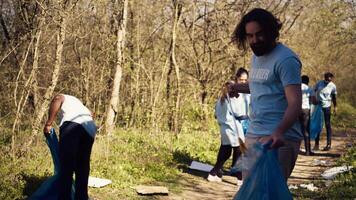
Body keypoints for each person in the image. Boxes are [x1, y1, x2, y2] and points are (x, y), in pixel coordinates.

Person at [231, 8, 302, 180]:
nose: (255, 40)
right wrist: (235, 88)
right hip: (253, 135)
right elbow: (260, 86)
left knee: (269, 193)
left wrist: (278, 132)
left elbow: (295, 103)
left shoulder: (286, 60)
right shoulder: (256, 57)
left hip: (278, 139)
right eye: (250, 36)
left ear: (272, 31)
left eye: (259, 34)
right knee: (248, 187)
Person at [43, 94, 97, 200]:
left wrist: (49, 123)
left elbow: (57, 99)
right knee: (82, 166)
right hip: (90, 130)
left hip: (72, 127)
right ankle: (82, 197)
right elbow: (91, 114)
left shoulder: (63, 97)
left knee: (67, 164)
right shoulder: (81, 107)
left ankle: (64, 197)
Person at [208, 72, 250, 182]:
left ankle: (214, 173)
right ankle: (239, 176)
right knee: (239, 151)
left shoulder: (220, 100)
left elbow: (216, 114)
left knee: (226, 151)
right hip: (233, 128)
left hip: (224, 127)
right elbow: (238, 113)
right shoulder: (230, 99)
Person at [314, 72, 337, 151]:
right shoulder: (319, 83)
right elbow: (314, 91)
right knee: (318, 124)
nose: (328, 80)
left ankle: (328, 144)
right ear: (325, 78)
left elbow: (334, 97)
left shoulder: (333, 86)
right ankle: (316, 144)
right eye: (327, 79)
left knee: (327, 124)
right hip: (318, 106)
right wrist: (314, 100)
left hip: (327, 106)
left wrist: (335, 107)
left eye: (330, 79)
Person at [300, 75, 317, 155]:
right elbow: (314, 101)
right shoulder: (309, 88)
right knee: (306, 131)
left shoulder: (296, 87)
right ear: (307, 81)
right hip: (305, 110)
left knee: (296, 130)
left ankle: (296, 150)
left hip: (295, 110)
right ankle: (307, 151)